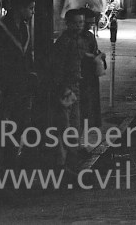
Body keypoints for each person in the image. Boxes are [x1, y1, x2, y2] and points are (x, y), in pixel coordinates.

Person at [0, 0, 38, 168]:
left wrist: (31, 75)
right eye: (30, 9)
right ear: (19, 8)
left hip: (21, 88)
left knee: (16, 127)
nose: (32, 13)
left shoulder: (24, 28)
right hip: (3, 88)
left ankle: (10, 162)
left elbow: (27, 56)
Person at [50, 9, 85, 168]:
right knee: (66, 127)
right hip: (66, 89)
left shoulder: (78, 40)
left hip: (74, 87)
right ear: (68, 24)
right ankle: (64, 163)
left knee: (74, 125)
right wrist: (63, 88)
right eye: (76, 23)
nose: (79, 26)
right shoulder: (65, 42)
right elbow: (58, 68)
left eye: (81, 23)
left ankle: (71, 160)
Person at [78, 10, 103, 130]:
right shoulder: (71, 39)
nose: (89, 26)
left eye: (92, 23)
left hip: (90, 77)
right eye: (87, 23)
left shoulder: (89, 36)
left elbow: (95, 50)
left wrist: (98, 56)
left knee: (88, 110)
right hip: (80, 77)